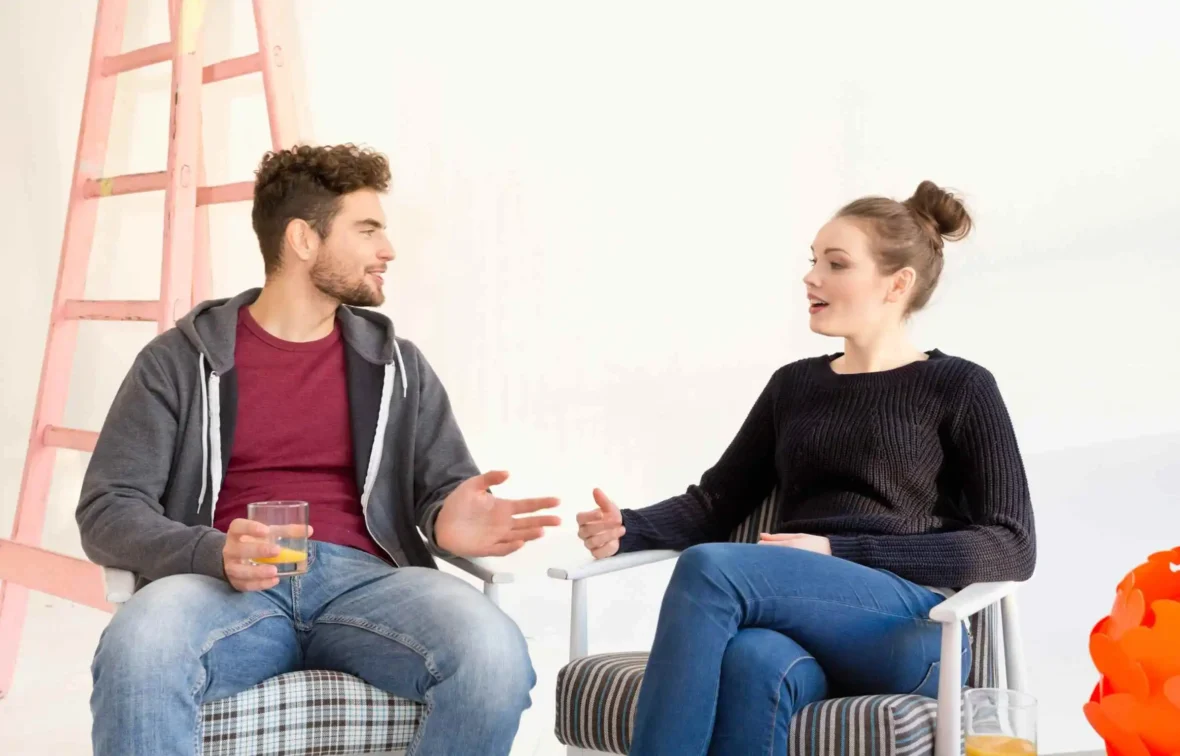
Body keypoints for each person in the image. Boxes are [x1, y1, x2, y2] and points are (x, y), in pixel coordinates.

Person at [76, 143, 560, 756]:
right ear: (303, 239)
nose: (388, 250)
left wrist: (444, 520)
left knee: (493, 653)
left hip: (368, 585)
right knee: (138, 645)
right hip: (223, 588)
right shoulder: (177, 362)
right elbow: (108, 510)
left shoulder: (397, 367)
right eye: (367, 230)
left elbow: (443, 489)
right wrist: (211, 551)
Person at [575, 181, 1037, 755]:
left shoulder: (960, 386)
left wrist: (837, 550)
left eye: (836, 264)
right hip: (799, 625)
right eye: (813, 261)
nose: (811, 278)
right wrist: (629, 528)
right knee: (751, 660)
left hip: (914, 629)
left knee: (712, 570)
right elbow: (716, 503)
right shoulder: (793, 386)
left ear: (897, 284)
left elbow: (1012, 544)